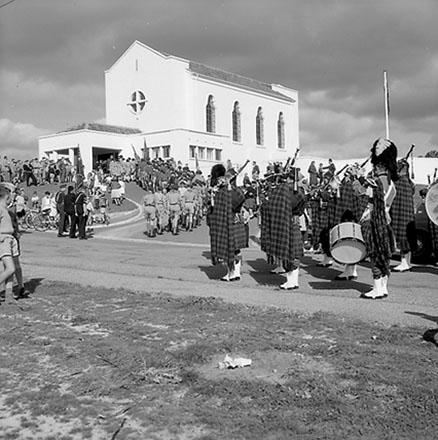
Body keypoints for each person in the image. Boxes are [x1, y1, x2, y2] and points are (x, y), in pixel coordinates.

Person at [360, 138, 398, 299]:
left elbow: (363, 192)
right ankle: (383, 287)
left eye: (376, 166)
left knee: (375, 254)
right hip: (385, 221)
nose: (374, 169)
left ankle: (376, 289)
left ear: (380, 166)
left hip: (373, 220)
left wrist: (359, 178)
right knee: (384, 255)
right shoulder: (391, 184)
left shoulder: (377, 182)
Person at [208, 164, 247, 282]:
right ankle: (236, 272)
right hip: (237, 220)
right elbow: (240, 200)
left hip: (226, 221)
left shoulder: (221, 191)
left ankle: (231, 272)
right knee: (236, 249)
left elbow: (214, 208)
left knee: (229, 248)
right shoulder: (234, 190)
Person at [268, 169, 306, 289]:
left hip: (284, 222)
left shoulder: (283, 191)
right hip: (295, 222)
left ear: (289, 179)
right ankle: (293, 281)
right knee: (294, 253)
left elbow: (274, 204)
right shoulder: (300, 192)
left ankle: (291, 281)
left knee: (288, 253)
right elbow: (301, 209)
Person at [390, 158, 416, 272]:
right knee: (407, 235)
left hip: (401, 213)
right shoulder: (409, 182)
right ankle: (407, 262)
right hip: (407, 214)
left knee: (403, 236)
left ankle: (405, 263)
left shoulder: (399, 181)